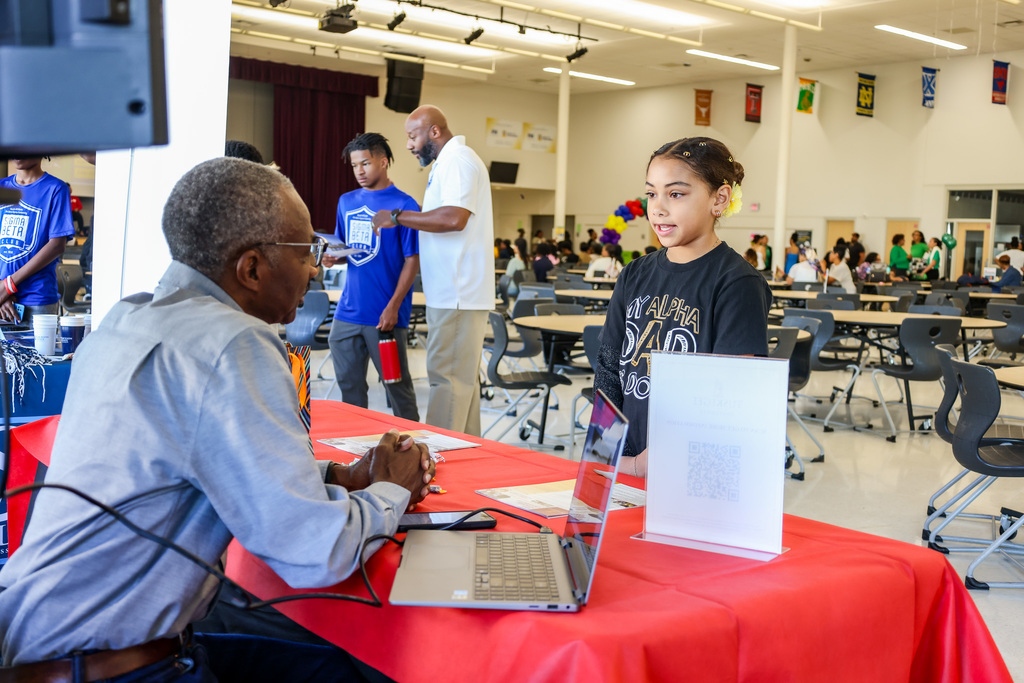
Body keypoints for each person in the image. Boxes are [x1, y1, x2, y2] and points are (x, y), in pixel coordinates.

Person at [0, 157, 436, 681]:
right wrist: (391, 489)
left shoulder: (127, 318)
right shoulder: (234, 341)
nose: (317, 269)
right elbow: (315, 551)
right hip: (120, 668)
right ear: (251, 268)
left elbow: (186, 459)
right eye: (308, 253)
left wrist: (334, 477)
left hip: (39, 644)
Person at [594, 137, 771, 478]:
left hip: (695, 470)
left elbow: (730, 398)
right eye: (651, 193)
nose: (658, 207)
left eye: (675, 194)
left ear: (719, 199)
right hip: (626, 464)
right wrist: (609, 455)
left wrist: (658, 461)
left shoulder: (737, 283)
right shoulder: (634, 274)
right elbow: (608, 371)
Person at [371, 105, 494, 436]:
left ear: (434, 132)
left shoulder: (457, 160)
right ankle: (466, 462)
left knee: (446, 379)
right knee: (461, 384)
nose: (409, 146)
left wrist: (396, 217)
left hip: (457, 292)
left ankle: (436, 458)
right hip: (456, 291)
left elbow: (454, 218)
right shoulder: (451, 163)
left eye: (413, 137)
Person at [322, 132, 420, 421]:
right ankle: (356, 454)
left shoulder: (405, 205)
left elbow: (412, 261)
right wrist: (331, 258)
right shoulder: (346, 201)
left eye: (365, 163)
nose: (359, 171)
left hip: (385, 319)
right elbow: (344, 247)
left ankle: (413, 451)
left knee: (397, 389)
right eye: (354, 166)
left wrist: (394, 306)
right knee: (350, 392)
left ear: (384, 162)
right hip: (347, 314)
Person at [0, 157, 75, 323]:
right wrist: (3, 292)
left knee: (40, 350)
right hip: (2, 300)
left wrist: (8, 286)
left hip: (37, 299)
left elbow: (56, 245)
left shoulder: (56, 188)